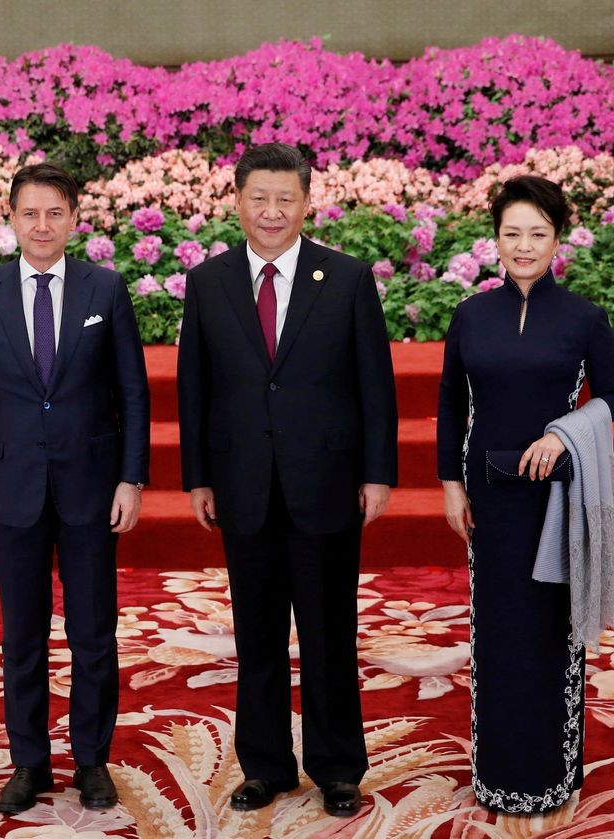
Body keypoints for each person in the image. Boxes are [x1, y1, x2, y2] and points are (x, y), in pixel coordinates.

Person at [177, 142, 398, 819]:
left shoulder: (348, 278)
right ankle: (266, 765)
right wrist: (197, 477)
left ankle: (337, 767)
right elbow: (195, 386)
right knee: (258, 635)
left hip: (325, 482)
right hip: (243, 486)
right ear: (238, 202)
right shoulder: (209, 282)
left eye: (285, 198)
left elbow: (374, 384)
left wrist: (377, 472)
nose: (271, 211)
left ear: (307, 202)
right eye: (259, 198)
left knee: (329, 634)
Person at [0, 162, 150, 814]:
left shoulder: (105, 289)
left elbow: (132, 394)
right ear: (10, 218)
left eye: (54, 213)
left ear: (74, 218)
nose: (41, 225)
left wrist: (131, 476)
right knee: (23, 634)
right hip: (10, 491)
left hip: (92, 486)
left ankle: (92, 759)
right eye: (29, 213)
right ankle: (28, 761)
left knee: (94, 633)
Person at [437, 175, 614, 813]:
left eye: (537, 234)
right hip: (489, 499)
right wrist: (449, 486)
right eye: (512, 233)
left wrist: (567, 434)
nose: (524, 246)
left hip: (557, 500)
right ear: (495, 239)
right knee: (497, 628)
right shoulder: (471, 316)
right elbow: (449, 408)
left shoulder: (582, 317)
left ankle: (552, 771)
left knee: (550, 629)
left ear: (557, 241)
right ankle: (497, 772)